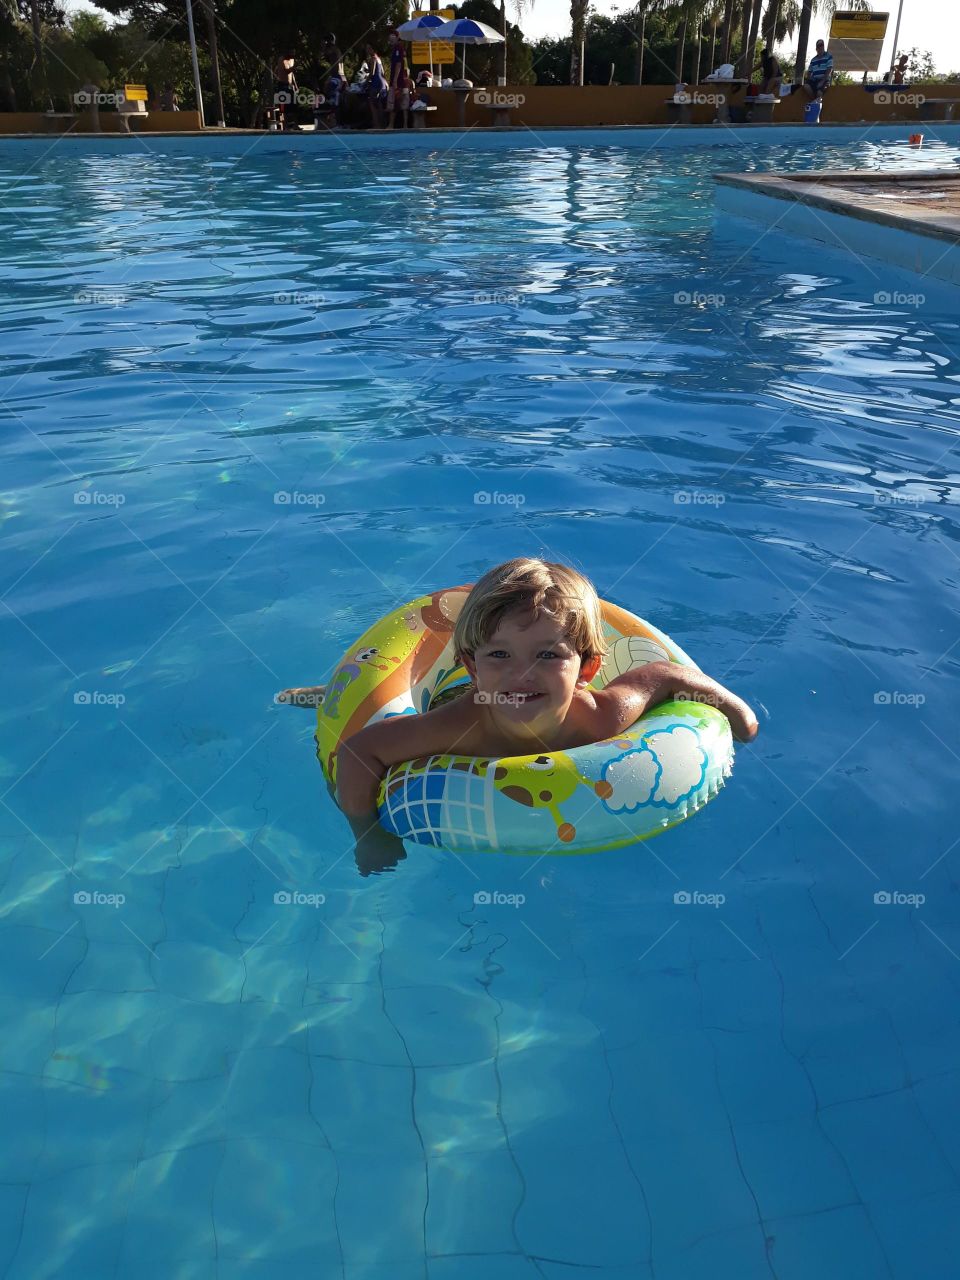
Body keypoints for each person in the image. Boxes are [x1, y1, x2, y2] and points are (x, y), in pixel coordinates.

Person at [279, 558, 760, 875]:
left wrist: (736, 712)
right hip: (458, 700)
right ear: (470, 664)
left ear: (589, 668)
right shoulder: (455, 729)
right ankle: (318, 695)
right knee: (332, 703)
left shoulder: (604, 718)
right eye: (500, 655)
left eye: (548, 656)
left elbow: (662, 674)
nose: (522, 676)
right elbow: (361, 749)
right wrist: (367, 836)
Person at [365, 42, 388, 128]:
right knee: (380, 105)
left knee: (372, 104)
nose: (367, 50)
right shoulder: (379, 59)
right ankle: (383, 125)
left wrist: (365, 83)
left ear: (372, 49)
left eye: (368, 48)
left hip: (376, 83)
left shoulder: (373, 59)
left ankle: (376, 125)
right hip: (382, 83)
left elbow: (372, 73)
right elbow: (383, 73)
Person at [274, 54, 298, 129]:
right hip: (282, 85)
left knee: (293, 107)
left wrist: (295, 84)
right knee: (283, 108)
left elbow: (291, 73)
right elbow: (287, 71)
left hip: (290, 85)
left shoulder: (292, 60)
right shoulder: (281, 59)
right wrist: (293, 67)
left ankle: (295, 125)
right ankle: (285, 126)